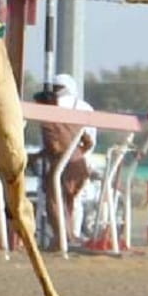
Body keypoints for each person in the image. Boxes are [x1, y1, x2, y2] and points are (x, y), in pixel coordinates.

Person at [39, 73, 97, 249]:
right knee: (73, 202)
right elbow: (89, 141)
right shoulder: (85, 107)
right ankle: (72, 238)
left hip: (62, 163)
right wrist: (78, 153)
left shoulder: (48, 112)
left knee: (54, 202)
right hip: (81, 162)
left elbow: (54, 146)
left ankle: (62, 239)